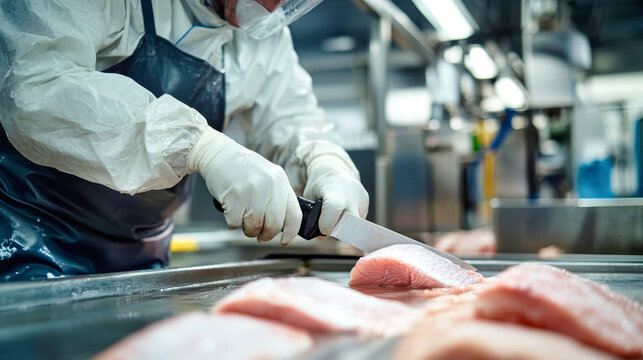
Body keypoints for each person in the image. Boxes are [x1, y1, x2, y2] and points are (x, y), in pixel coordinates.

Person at [0, 0, 368, 281]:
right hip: (27, 243)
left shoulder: (264, 36)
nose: (274, 6)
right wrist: (199, 146)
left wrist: (325, 162)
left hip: (144, 260)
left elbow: (292, 117)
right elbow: (38, 89)